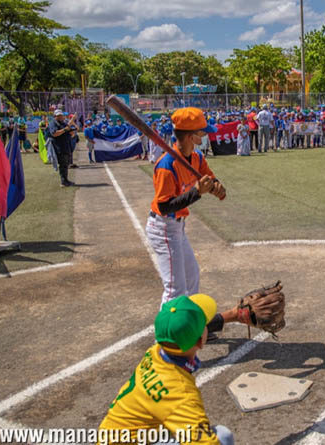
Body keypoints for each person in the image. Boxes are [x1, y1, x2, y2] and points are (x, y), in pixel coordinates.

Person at [97, 293, 234, 445]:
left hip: (114, 435)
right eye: (205, 324)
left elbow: (179, 334)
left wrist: (231, 316)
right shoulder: (181, 394)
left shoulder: (155, 352)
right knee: (222, 436)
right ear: (201, 342)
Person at [147, 107, 226, 308]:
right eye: (202, 131)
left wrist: (216, 186)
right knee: (175, 288)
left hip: (178, 227)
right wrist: (196, 192)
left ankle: (190, 324)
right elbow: (165, 206)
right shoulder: (166, 165)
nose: (206, 134)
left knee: (192, 278)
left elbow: (208, 176)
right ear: (192, 136)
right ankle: (168, 335)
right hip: (163, 228)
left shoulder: (196, 157)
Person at [48, 110, 77, 187]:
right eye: (59, 115)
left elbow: (71, 133)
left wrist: (70, 130)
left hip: (66, 146)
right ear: (55, 116)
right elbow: (54, 133)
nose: (61, 117)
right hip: (59, 147)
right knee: (63, 164)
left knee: (66, 164)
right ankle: (63, 182)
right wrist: (64, 130)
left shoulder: (63, 123)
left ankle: (66, 180)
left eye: (61, 115)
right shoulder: (53, 123)